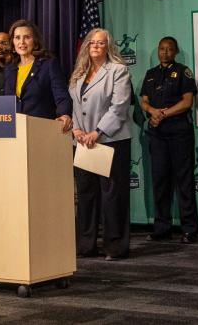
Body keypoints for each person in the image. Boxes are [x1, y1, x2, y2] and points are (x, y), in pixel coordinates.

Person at [69, 28, 133, 261]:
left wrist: (97, 132)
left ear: (109, 47)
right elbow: (75, 106)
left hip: (110, 141)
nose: (95, 46)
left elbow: (119, 107)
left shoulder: (118, 71)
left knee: (112, 195)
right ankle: (86, 245)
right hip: (83, 142)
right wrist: (76, 130)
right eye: (92, 42)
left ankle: (115, 247)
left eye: (101, 43)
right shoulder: (79, 73)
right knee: (86, 194)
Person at [140, 36, 198, 244]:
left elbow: (187, 102)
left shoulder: (183, 72)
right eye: (162, 48)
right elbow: (144, 101)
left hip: (179, 133)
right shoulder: (150, 74)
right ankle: (162, 227)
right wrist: (152, 112)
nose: (165, 52)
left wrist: (163, 114)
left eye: (169, 49)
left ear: (175, 52)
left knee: (184, 181)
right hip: (157, 135)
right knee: (160, 181)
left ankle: (189, 228)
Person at [2, 20, 72, 132]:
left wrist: (64, 114)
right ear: (12, 42)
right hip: (16, 132)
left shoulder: (48, 65)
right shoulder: (9, 70)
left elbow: (61, 95)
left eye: (27, 37)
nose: (22, 42)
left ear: (35, 40)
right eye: (17, 37)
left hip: (42, 131)